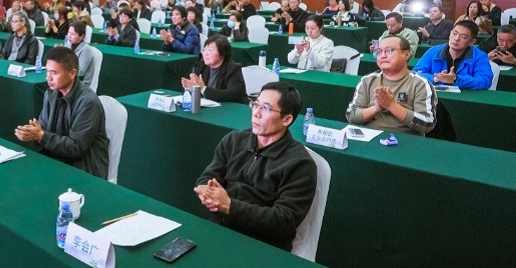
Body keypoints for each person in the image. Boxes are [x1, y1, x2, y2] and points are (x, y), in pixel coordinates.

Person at [194, 82, 317, 251]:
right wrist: (208, 192)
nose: (256, 113)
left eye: (266, 108)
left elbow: (284, 220)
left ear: (287, 119)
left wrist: (230, 206)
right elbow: (208, 176)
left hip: (264, 245)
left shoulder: (300, 163)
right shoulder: (234, 140)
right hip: (220, 228)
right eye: (255, 104)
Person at [14, 46, 109, 178]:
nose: (48, 78)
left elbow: (77, 148)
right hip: (57, 158)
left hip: (83, 168)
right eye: (47, 71)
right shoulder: (50, 94)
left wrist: (41, 136)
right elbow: (44, 131)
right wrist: (33, 133)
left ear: (72, 74)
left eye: (54, 73)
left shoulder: (88, 102)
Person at [346, 35, 437, 136]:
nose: (382, 56)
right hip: (370, 137)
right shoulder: (367, 80)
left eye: (389, 51)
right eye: (379, 52)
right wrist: (376, 108)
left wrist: (392, 106)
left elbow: (427, 123)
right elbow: (351, 116)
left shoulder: (420, 83)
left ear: (406, 54)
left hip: (406, 140)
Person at [413, 20, 493, 90]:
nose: (456, 38)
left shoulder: (480, 56)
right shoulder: (433, 51)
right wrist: (435, 78)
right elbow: (416, 73)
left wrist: (456, 79)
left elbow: (485, 81)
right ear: (450, 34)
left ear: (472, 42)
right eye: (454, 33)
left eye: (463, 37)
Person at [182, 35, 248, 104]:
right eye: (204, 50)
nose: (206, 53)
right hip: (208, 105)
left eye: (210, 50)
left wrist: (203, 89)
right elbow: (196, 85)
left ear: (222, 53)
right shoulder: (202, 64)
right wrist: (191, 88)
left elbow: (232, 94)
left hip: (232, 107)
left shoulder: (233, 68)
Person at [65, 21, 96, 88]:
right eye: (68, 32)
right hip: (68, 80)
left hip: (81, 85)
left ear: (81, 36)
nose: (69, 36)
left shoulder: (86, 49)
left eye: (72, 34)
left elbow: (80, 72)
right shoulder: (67, 46)